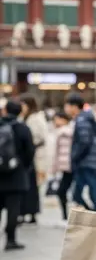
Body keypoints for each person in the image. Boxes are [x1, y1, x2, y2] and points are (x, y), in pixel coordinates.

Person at [0, 99, 35, 250]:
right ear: (20, 111)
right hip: (17, 174)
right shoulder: (23, 128)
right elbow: (30, 152)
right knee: (13, 209)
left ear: (5, 110)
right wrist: (24, 167)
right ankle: (10, 240)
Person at [64, 93, 96, 212]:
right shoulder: (85, 118)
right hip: (89, 162)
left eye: (67, 105)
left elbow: (84, 141)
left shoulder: (82, 119)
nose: (65, 108)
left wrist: (75, 156)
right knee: (85, 193)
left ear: (74, 107)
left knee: (92, 193)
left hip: (87, 163)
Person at [18, 95, 47, 223]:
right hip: (25, 156)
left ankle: (32, 213)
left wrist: (31, 143)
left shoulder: (37, 118)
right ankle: (24, 212)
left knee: (33, 187)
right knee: (26, 186)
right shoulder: (22, 117)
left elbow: (43, 137)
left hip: (35, 156)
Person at [49, 111, 74, 221]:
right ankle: (65, 216)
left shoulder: (62, 133)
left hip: (68, 167)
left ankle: (65, 216)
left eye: (56, 119)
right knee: (64, 192)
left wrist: (54, 168)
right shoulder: (70, 131)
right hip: (69, 166)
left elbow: (58, 153)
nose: (55, 122)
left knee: (62, 192)